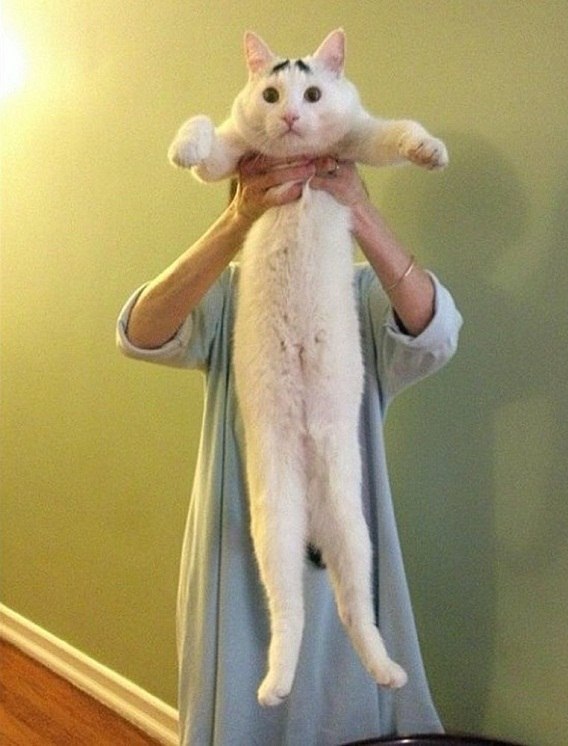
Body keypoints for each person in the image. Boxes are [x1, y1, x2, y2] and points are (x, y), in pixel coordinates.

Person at [116, 155, 463, 746]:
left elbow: (435, 333)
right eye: (275, 179)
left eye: (313, 177)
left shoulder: (359, 294)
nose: (295, 193)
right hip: (240, 545)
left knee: (343, 697)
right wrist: (235, 222)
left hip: (339, 542)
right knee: (243, 695)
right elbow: (140, 332)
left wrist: (360, 211)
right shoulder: (230, 295)